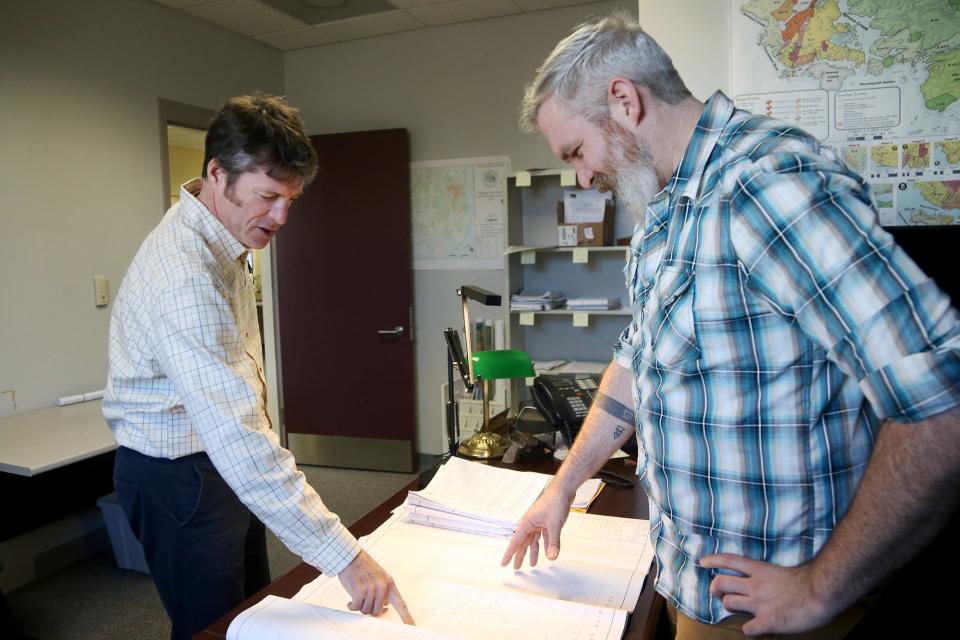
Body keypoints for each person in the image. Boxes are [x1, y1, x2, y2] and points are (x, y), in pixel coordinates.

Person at [501, 13, 960, 639]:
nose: (582, 178)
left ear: (625, 101)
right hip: (688, 583)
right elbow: (640, 362)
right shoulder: (665, 210)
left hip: (774, 614)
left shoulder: (765, 184)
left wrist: (821, 588)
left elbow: (941, 398)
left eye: (577, 151)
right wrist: (564, 487)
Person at [103, 94, 413, 639]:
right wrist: (345, 557)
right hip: (179, 477)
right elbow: (239, 436)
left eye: (291, 198)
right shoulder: (187, 278)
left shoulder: (220, 237)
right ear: (217, 175)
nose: (282, 217)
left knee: (252, 615)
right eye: (268, 196)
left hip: (212, 459)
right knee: (211, 627)